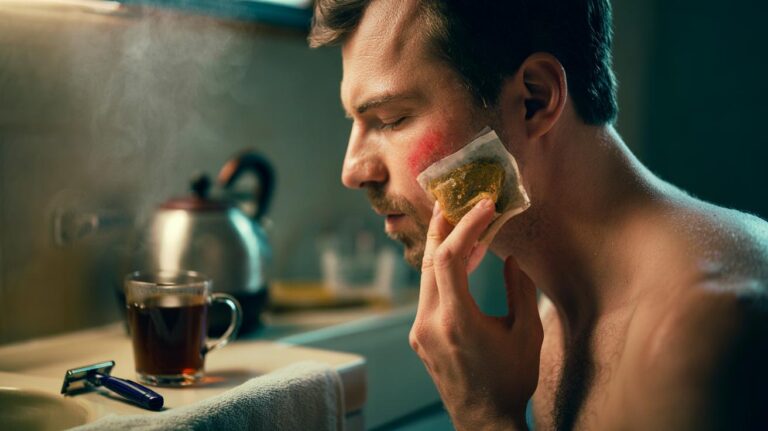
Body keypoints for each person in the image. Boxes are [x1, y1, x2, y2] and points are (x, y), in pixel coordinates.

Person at [308, 0, 768, 429]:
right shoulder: (552, 314)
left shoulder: (703, 332)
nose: (353, 170)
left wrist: (485, 417)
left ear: (535, 100)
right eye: (356, 121)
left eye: (391, 119)